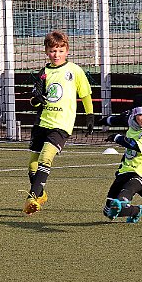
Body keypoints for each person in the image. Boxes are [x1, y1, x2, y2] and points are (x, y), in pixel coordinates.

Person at [23, 30, 94, 215]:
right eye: (53, 51)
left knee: (46, 158)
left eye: (60, 50)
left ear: (67, 51)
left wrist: (90, 116)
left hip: (62, 124)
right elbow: (34, 99)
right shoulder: (43, 73)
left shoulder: (74, 70)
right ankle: (41, 194)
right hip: (42, 123)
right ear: (46, 51)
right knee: (32, 165)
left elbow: (85, 93)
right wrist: (37, 99)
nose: (56, 54)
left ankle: (32, 198)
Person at [100, 94, 142, 223]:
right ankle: (138, 210)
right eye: (140, 115)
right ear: (134, 115)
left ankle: (123, 201)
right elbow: (118, 119)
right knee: (109, 212)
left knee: (128, 190)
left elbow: (138, 147)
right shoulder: (131, 120)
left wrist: (117, 138)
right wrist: (104, 120)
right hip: (125, 170)